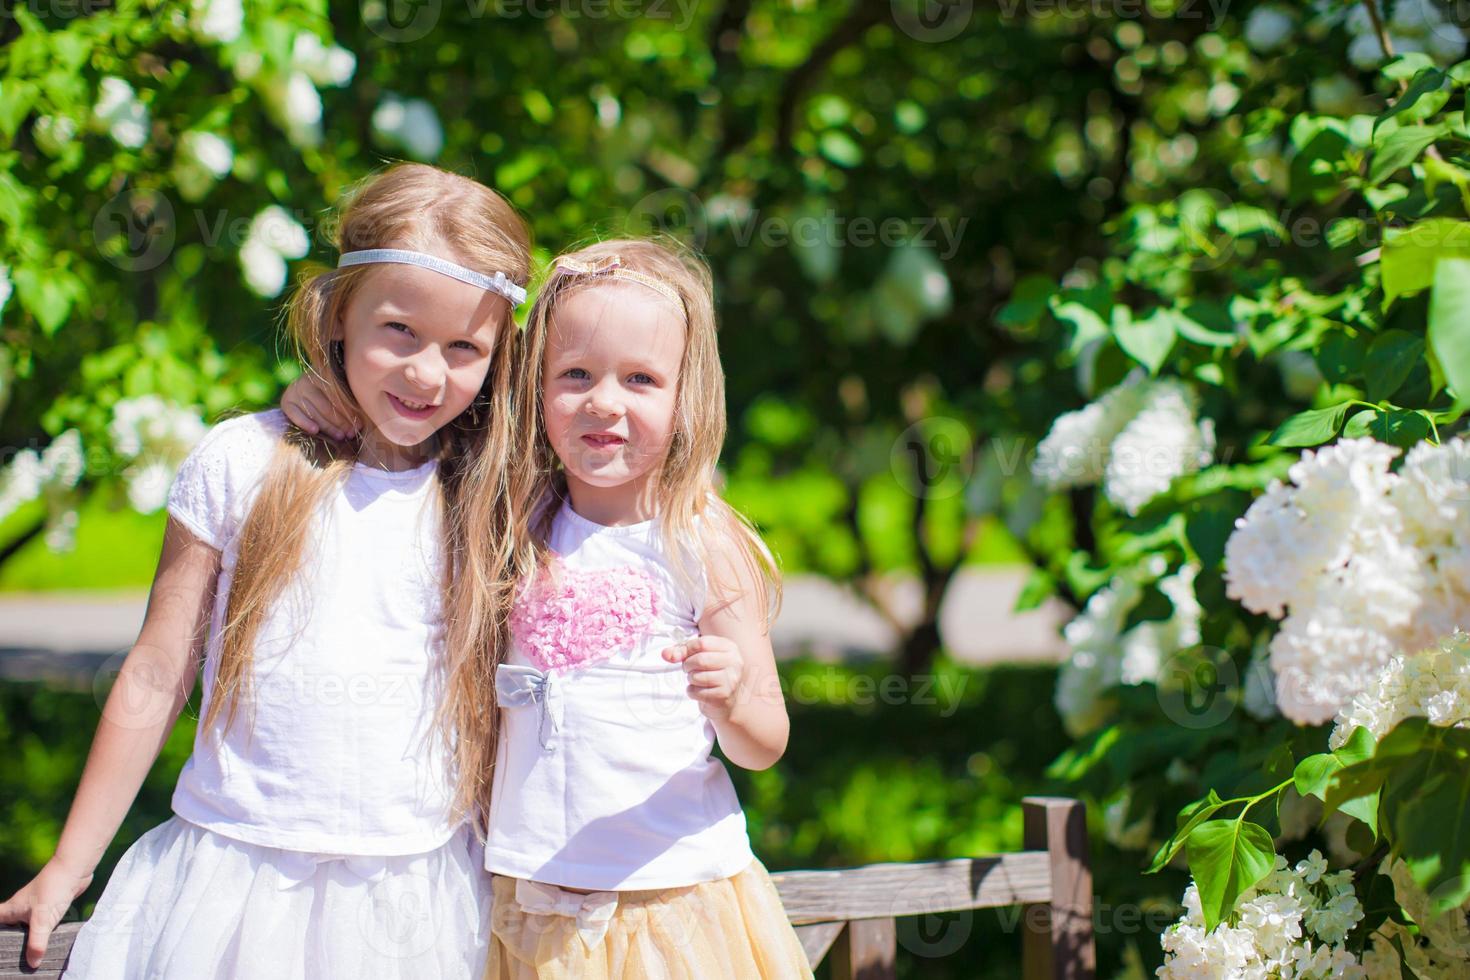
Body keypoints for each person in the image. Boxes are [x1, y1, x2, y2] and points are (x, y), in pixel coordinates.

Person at [0, 162, 531, 979]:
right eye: (399, 331)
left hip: (418, 898)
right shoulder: (241, 463)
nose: (427, 373)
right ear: (337, 315)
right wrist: (69, 866)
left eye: (464, 347)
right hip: (232, 885)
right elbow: (156, 671)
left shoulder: (487, 491)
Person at [484, 239, 811, 978]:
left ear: (683, 397)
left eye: (640, 378)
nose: (604, 401)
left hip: (671, 901)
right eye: (575, 375)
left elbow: (764, 742)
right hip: (532, 898)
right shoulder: (514, 525)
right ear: (536, 391)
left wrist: (731, 700)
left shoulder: (699, 541)